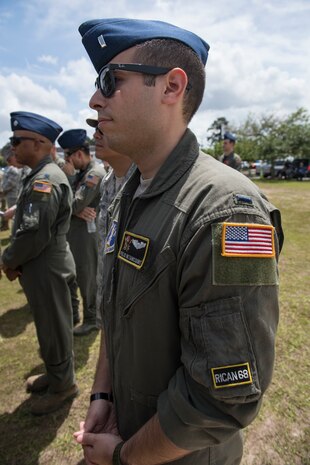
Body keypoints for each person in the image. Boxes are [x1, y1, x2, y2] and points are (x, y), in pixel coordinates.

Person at [74, 18, 284, 465]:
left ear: (171, 87)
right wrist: (104, 394)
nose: (94, 99)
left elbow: (221, 398)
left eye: (110, 81)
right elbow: (117, 311)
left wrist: (123, 457)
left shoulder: (225, 211)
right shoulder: (131, 191)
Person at [2, 111, 78, 415]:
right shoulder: (39, 176)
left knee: (54, 326)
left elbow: (33, 235)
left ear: (38, 143)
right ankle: (56, 374)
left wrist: (8, 259)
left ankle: (63, 386)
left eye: (17, 141)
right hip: (42, 264)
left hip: (46, 265)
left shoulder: (45, 180)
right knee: (48, 325)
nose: (13, 147)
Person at [86, 117, 134, 327]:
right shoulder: (108, 180)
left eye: (103, 129)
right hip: (108, 296)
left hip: (132, 311)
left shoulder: (146, 182)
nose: (96, 135)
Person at [58, 129, 106, 336]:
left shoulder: (94, 174)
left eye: (68, 157)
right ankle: (81, 314)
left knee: (87, 277)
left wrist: (68, 181)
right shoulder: (82, 174)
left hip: (87, 235)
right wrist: (75, 211)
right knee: (77, 275)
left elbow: (76, 203)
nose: (67, 162)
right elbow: (71, 206)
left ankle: (92, 319)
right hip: (77, 234)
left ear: (78, 154)